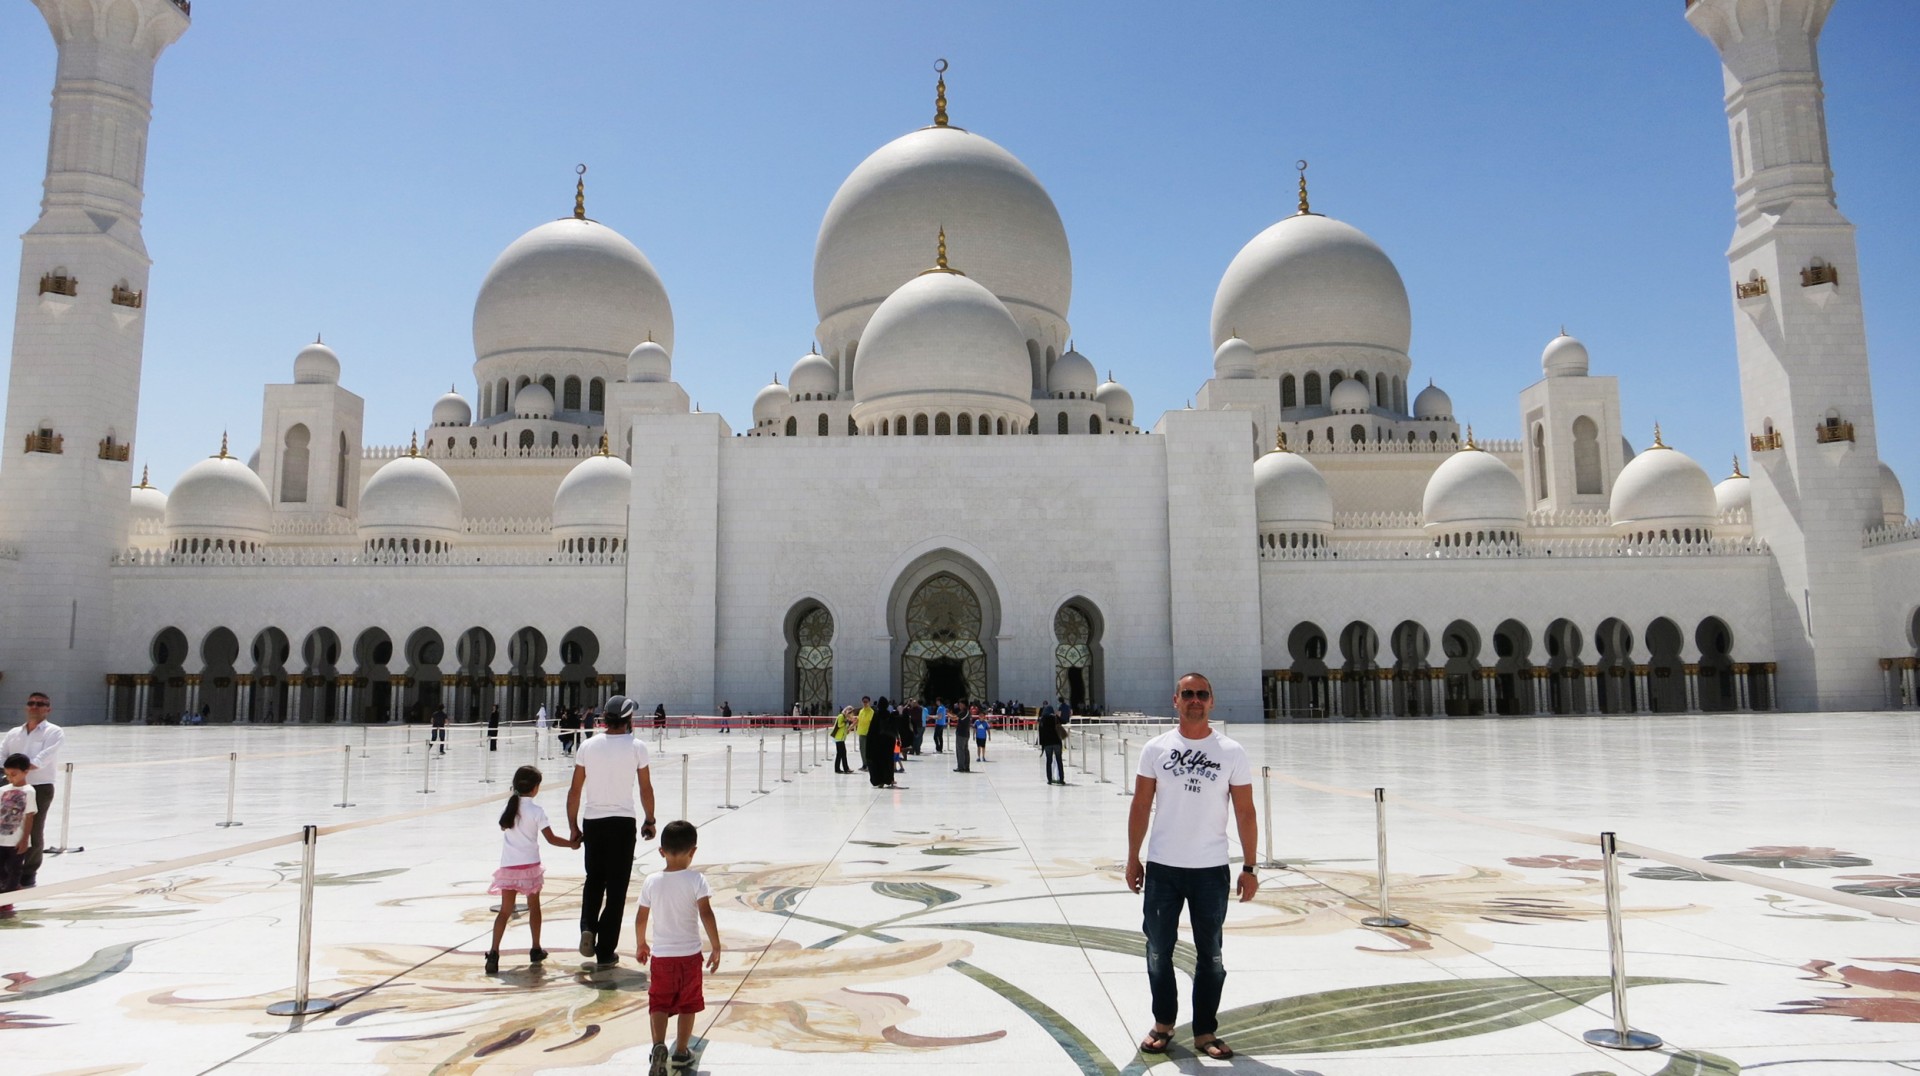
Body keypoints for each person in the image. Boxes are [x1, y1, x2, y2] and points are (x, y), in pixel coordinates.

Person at [1125, 672, 1259, 1061]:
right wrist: (1133, 857)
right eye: (1188, 694)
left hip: (1210, 869)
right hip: (1164, 867)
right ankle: (1163, 1023)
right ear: (1175, 700)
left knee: (1211, 956)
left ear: (1212, 702)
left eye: (1202, 694)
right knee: (1157, 951)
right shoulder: (1156, 748)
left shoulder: (1231, 752)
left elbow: (1246, 812)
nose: (1195, 700)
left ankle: (1205, 1030)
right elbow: (1139, 806)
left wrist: (1249, 867)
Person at [566, 695, 657, 969]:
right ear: (629, 720)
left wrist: (573, 826)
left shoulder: (588, 746)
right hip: (622, 822)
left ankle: (588, 927)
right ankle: (605, 950)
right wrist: (650, 820)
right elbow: (645, 788)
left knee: (594, 879)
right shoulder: (637, 747)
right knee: (616, 888)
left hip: (594, 821)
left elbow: (575, 789)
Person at [635, 820, 722, 1075]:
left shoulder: (651, 881)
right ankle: (682, 1050)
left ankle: (658, 1046)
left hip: (661, 957)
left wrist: (641, 943)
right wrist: (715, 946)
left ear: (661, 851)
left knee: (659, 1002)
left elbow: (641, 917)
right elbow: (706, 914)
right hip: (690, 956)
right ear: (693, 851)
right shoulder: (697, 879)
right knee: (688, 1003)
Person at [485, 765, 575, 973]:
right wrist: (571, 844)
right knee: (534, 907)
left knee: (505, 910)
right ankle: (535, 948)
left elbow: (504, 826)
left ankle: (494, 952)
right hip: (530, 867)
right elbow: (551, 839)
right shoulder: (536, 811)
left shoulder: (509, 809)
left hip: (509, 866)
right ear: (535, 788)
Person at [1, 692, 63, 888]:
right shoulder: (14, 733)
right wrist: (11, 773)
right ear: (26, 707)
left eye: (40, 704)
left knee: (34, 830)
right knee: (7, 828)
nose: (35, 706)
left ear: (48, 709)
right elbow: (2, 755)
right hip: (11, 786)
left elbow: (43, 758)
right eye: (31, 703)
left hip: (39, 787)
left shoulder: (54, 732)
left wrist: (20, 769)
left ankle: (29, 872)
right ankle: (6, 871)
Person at [0, 753, 36, 919]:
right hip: (1, 838)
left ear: (25, 771)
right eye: (7, 774)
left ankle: (8, 900)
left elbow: (29, 816)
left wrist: (24, 840)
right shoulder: (3, 790)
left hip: (16, 840)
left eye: (14, 774)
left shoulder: (28, 791)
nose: (10, 778)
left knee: (14, 869)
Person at [868, 697, 899, 789]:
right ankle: (888, 779)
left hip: (876, 744)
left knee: (877, 762)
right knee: (887, 761)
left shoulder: (876, 715)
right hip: (888, 744)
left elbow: (871, 732)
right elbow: (894, 729)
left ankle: (879, 780)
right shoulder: (889, 715)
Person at [1038, 701, 1065, 784]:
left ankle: (1049, 779)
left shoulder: (1042, 720)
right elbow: (1063, 721)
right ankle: (1061, 779)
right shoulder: (1055, 718)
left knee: (1048, 761)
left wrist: (1042, 746)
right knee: (1059, 760)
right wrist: (1057, 715)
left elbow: (1041, 734)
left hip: (1047, 744)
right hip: (1056, 742)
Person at [831, 705, 853, 774]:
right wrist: (846, 721)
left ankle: (839, 768)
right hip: (838, 738)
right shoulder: (841, 716)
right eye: (849, 712)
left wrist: (848, 730)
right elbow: (839, 725)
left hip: (841, 738)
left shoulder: (845, 718)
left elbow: (844, 729)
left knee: (841, 753)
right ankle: (845, 768)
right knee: (842, 753)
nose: (849, 714)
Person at [854, 696, 874, 771]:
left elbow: (872, 723)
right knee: (862, 749)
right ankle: (864, 764)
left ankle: (869, 764)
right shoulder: (861, 711)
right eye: (864, 702)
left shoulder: (871, 712)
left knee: (868, 750)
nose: (865, 703)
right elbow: (858, 720)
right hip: (861, 733)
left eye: (866, 702)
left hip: (868, 733)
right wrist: (850, 728)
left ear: (869, 702)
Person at [952, 703, 972, 773]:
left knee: (960, 750)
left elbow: (954, 718)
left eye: (960, 704)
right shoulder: (968, 712)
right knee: (965, 750)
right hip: (966, 734)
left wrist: (948, 714)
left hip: (961, 734)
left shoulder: (963, 712)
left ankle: (961, 767)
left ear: (964, 705)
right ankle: (966, 766)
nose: (959, 706)